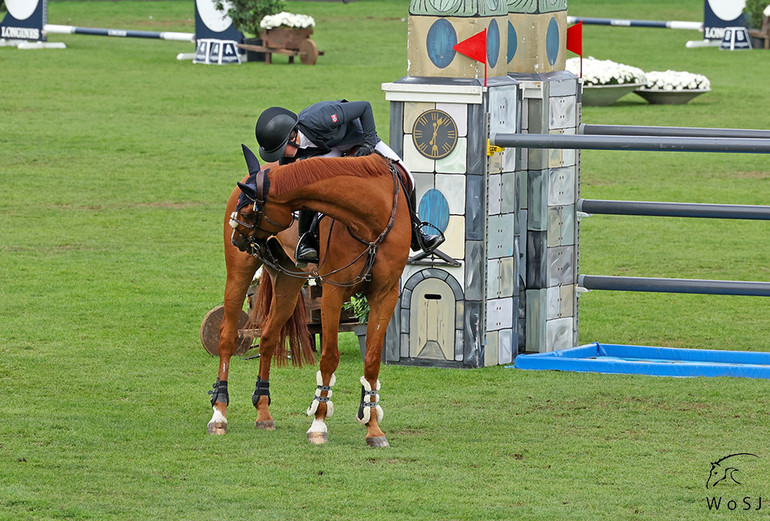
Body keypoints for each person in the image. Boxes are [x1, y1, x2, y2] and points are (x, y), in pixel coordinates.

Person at [254, 100, 443, 265]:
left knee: (408, 176)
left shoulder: (322, 119)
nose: (282, 156)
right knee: (308, 186)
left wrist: (368, 144)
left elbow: (364, 108)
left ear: (293, 135)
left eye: (282, 150)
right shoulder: (288, 153)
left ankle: (416, 232)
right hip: (329, 151)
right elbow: (290, 180)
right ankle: (307, 239)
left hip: (359, 139)